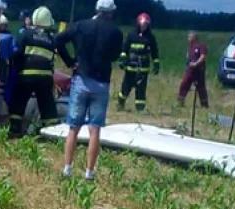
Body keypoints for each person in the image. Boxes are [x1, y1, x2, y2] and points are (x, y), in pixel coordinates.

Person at [55, 0, 123, 181]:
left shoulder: (81, 26)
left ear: (96, 10)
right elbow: (115, 56)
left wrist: (70, 61)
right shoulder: (116, 32)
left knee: (73, 128)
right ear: (111, 13)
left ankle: (67, 169)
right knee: (95, 130)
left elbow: (58, 40)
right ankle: (89, 172)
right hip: (101, 83)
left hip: (81, 80)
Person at [9, 6, 60, 135]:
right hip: (45, 78)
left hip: (26, 75)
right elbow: (52, 59)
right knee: (47, 104)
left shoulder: (25, 34)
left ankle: (15, 130)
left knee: (19, 102)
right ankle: (52, 132)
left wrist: (15, 68)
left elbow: (16, 53)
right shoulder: (51, 39)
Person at [118, 13, 160, 112]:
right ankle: (120, 104)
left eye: (146, 25)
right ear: (138, 24)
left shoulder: (150, 37)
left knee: (141, 89)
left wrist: (156, 63)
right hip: (130, 67)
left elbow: (154, 51)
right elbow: (125, 48)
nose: (144, 26)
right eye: (142, 24)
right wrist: (122, 59)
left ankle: (140, 109)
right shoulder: (131, 35)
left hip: (143, 68)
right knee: (126, 87)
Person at [177, 31, 208, 108]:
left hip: (198, 70)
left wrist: (196, 63)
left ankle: (204, 104)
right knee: (184, 84)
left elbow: (202, 56)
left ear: (194, 37)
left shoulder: (201, 45)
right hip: (190, 70)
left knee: (200, 87)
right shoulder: (190, 47)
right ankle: (180, 102)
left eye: (190, 37)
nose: (188, 38)